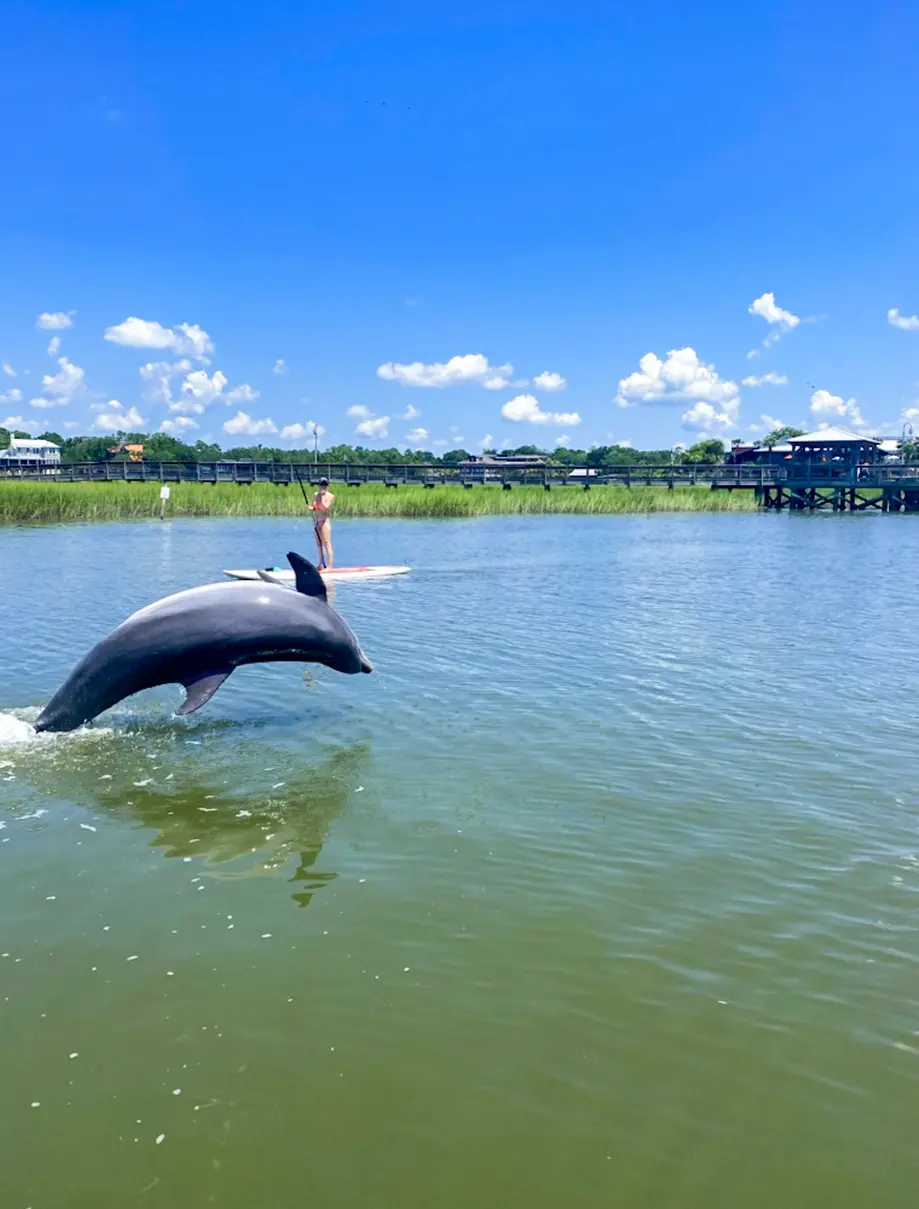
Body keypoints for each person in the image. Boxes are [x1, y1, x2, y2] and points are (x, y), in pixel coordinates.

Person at [311, 477, 335, 570]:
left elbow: (325, 507)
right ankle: (321, 564)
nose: (323, 486)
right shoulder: (316, 495)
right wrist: (312, 508)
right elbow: (315, 506)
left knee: (327, 543)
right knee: (318, 543)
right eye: (321, 485)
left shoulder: (330, 496)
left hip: (325, 521)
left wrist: (321, 497)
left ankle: (329, 566)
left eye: (325, 485)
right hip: (317, 521)